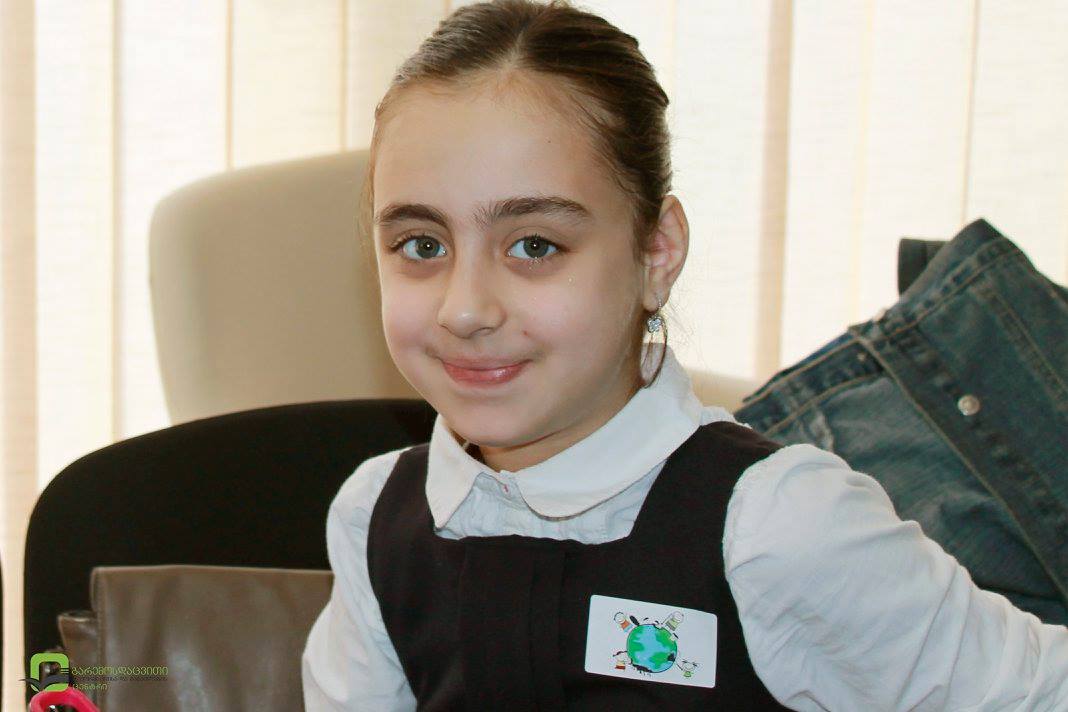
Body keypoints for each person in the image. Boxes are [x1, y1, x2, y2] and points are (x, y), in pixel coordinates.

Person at [301, 1, 1068, 709]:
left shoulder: (778, 523)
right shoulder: (376, 519)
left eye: (534, 245)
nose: (466, 309)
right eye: (421, 245)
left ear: (657, 253)